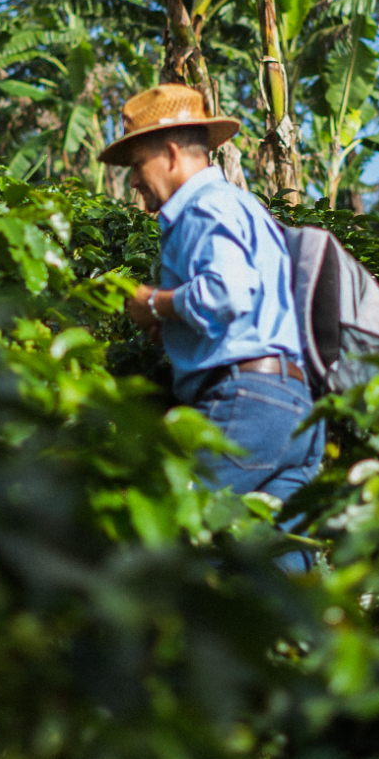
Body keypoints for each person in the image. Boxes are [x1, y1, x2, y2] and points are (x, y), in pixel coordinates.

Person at [99, 84, 324, 553]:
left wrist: (155, 303)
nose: (134, 182)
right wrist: (178, 321)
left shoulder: (203, 207)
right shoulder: (244, 207)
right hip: (294, 408)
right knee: (273, 572)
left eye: (137, 166)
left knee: (164, 541)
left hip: (244, 401)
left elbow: (229, 291)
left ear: (172, 154)